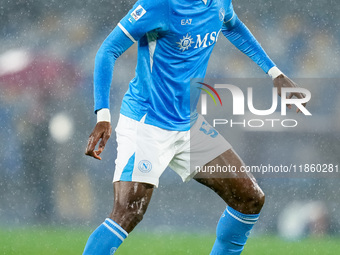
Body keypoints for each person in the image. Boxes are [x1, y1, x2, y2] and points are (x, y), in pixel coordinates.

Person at [83, 0, 306, 254]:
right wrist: (103, 115)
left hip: (188, 124)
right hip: (146, 124)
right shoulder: (160, 5)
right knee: (127, 213)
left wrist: (274, 72)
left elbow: (232, 26)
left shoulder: (220, 2)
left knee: (250, 198)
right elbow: (108, 50)